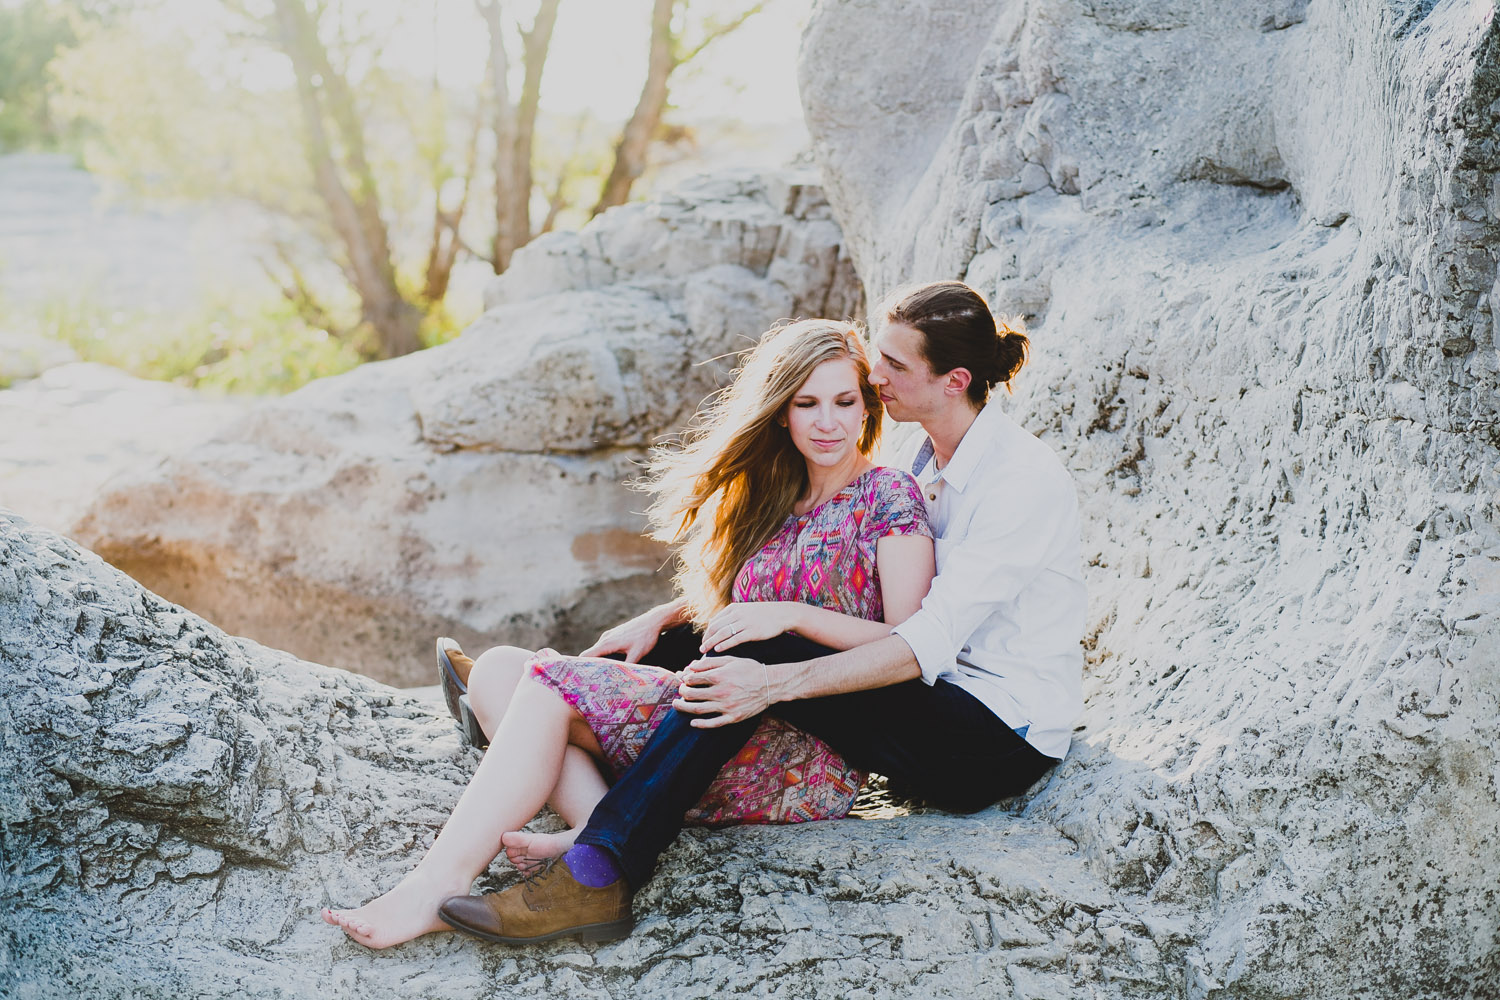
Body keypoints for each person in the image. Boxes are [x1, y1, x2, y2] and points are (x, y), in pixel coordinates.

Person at [437, 280, 1087, 946]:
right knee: (733, 633)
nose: (874, 374)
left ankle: (599, 869)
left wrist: (774, 680)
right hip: (928, 692)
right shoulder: (920, 457)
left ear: (953, 381)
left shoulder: (1020, 482)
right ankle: (539, 699)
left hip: (989, 738)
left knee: (760, 654)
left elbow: (919, 643)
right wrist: (671, 618)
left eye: (893, 365)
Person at [321, 318, 936, 948]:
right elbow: (739, 613)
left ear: (867, 406)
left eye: (843, 401)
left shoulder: (889, 494)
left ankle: (435, 885)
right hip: (711, 720)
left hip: (796, 748)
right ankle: (597, 831)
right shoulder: (777, 498)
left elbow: (907, 640)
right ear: (781, 412)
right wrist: (667, 615)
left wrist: (794, 615)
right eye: (807, 404)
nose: (827, 422)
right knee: (502, 670)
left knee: (543, 685)